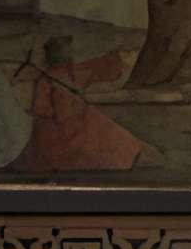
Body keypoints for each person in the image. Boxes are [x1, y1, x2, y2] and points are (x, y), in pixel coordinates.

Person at [9, 38, 149, 173]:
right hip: (62, 134)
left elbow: (100, 68)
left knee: (116, 137)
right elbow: (43, 109)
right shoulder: (53, 79)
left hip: (72, 125)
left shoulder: (66, 74)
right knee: (113, 141)